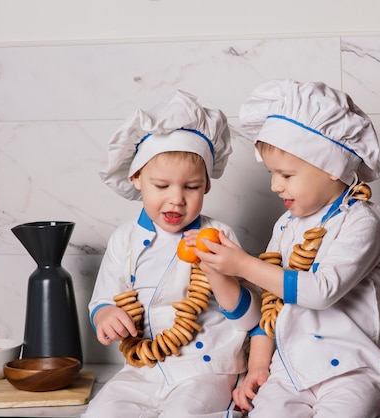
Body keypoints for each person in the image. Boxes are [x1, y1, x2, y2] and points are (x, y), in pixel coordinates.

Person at [195, 79, 380, 417]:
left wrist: (243, 265)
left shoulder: (360, 223)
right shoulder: (286, 226)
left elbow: (320, 292)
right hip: (289, 368)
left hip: (352, 371)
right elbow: (271, 305)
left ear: (332, 169)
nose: (275, 186)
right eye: (272, 174)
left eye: (286, 175)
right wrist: (260, 365)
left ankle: (375, 396)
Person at [83, 90, 261, 418]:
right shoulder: (124, 239)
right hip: (144, 368)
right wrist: (105, 316)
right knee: (102, 412)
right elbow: (102, 300)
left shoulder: (220, 237)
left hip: (207, 368)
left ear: (206, 185)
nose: (177, 200)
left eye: (191, 187)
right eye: (162, 186)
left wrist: (217, 270)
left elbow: (252, 318)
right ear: (136, 179)